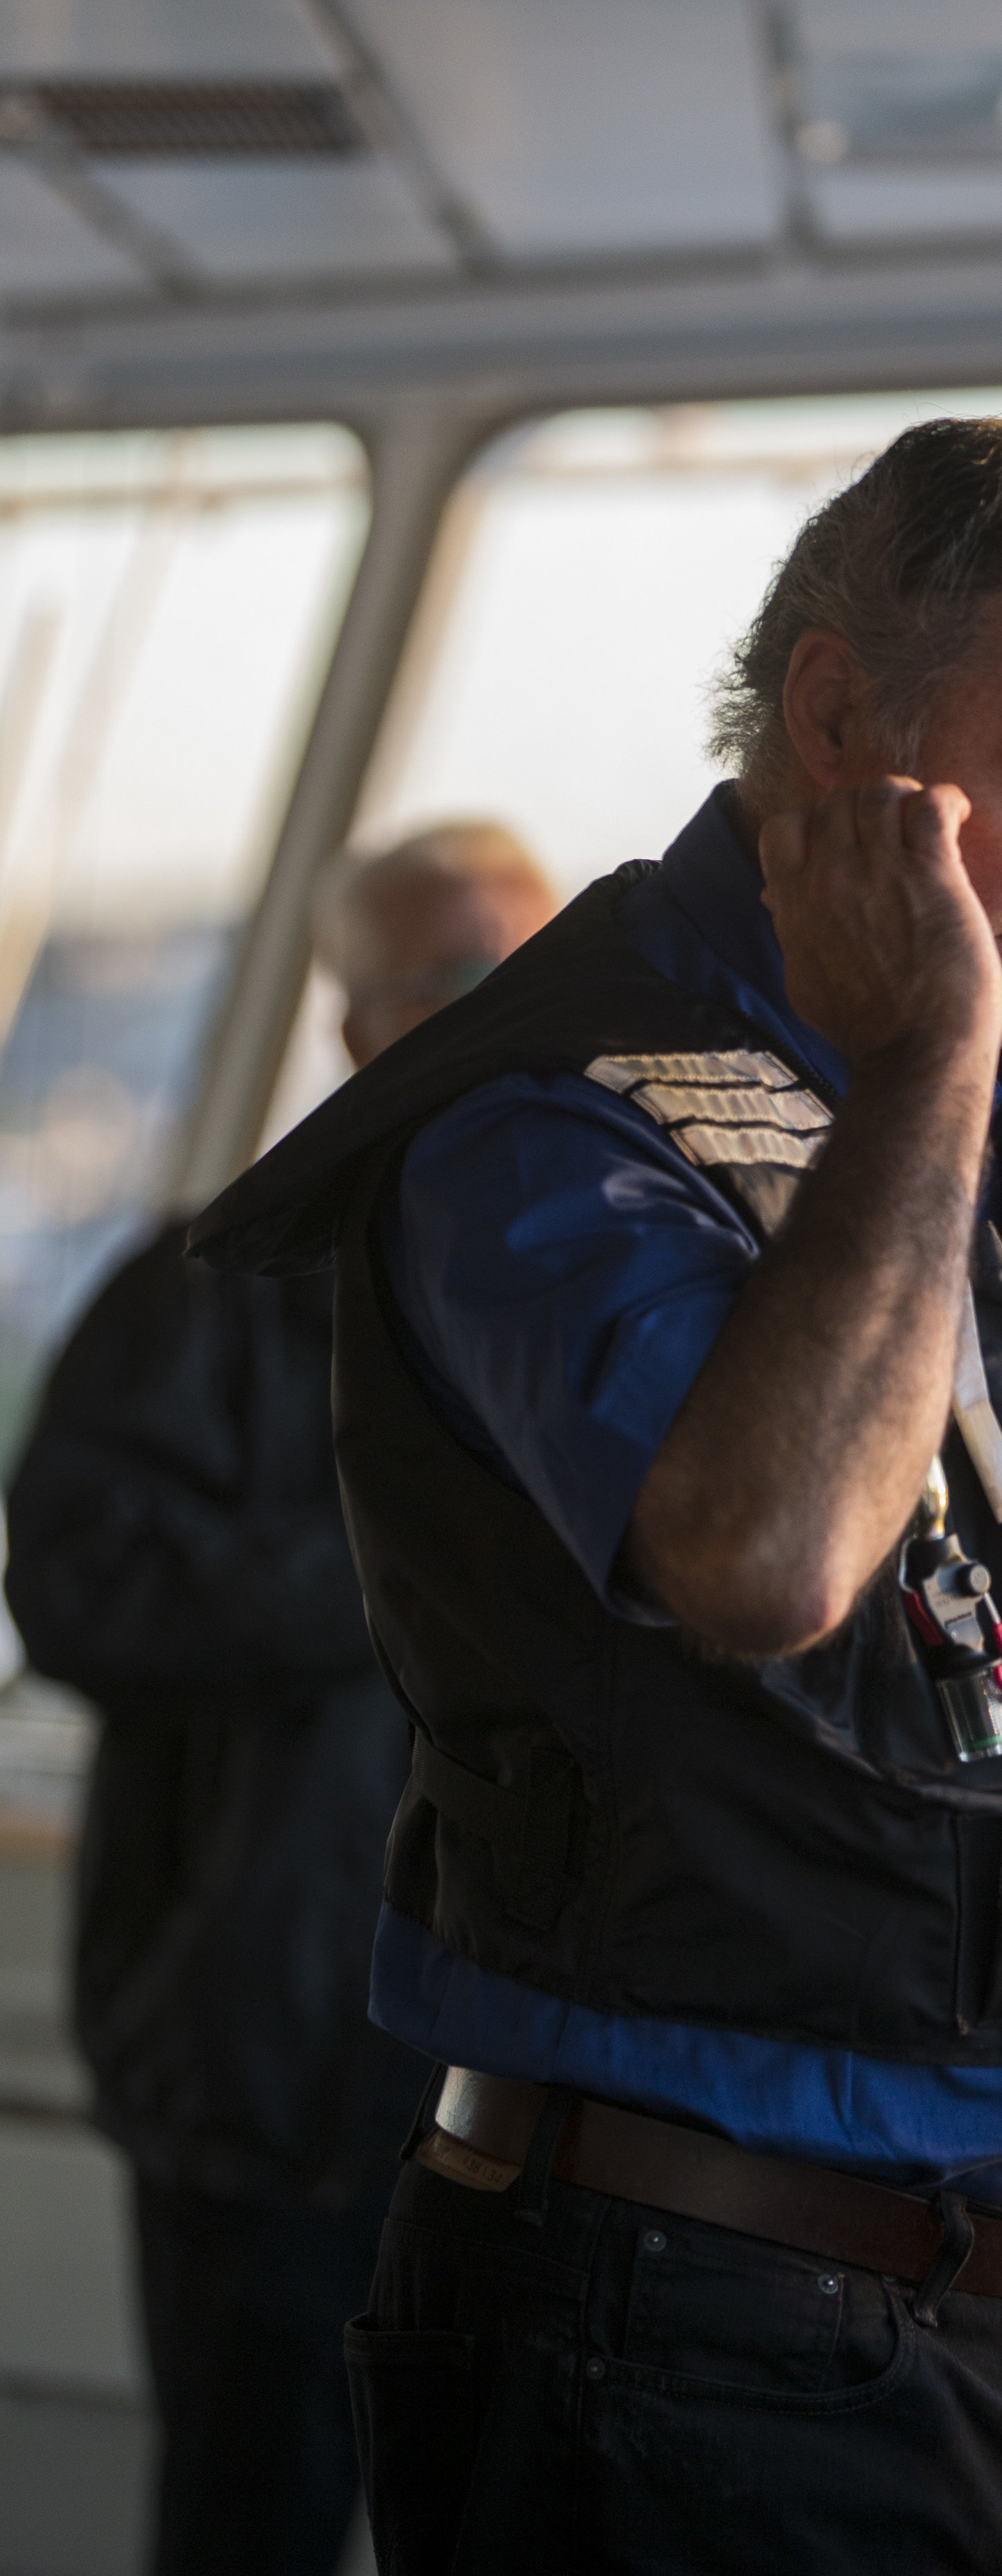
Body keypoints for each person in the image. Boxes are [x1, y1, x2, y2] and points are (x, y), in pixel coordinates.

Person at [191, 420, 1002, 2574]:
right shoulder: (557, 1122)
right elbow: (757, 1557)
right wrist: (928, 1067)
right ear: (836, 719)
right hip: (697, 2348)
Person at [4, 823, 557, 2576]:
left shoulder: (612, 1300)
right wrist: (424, 1557)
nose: (503, 1020)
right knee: (241, 2529)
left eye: (532, 980)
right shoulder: (208, 1284)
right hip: (256, 2085)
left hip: (539, 2103)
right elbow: (77, 1590)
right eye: (452, 983)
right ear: (348, 1033)